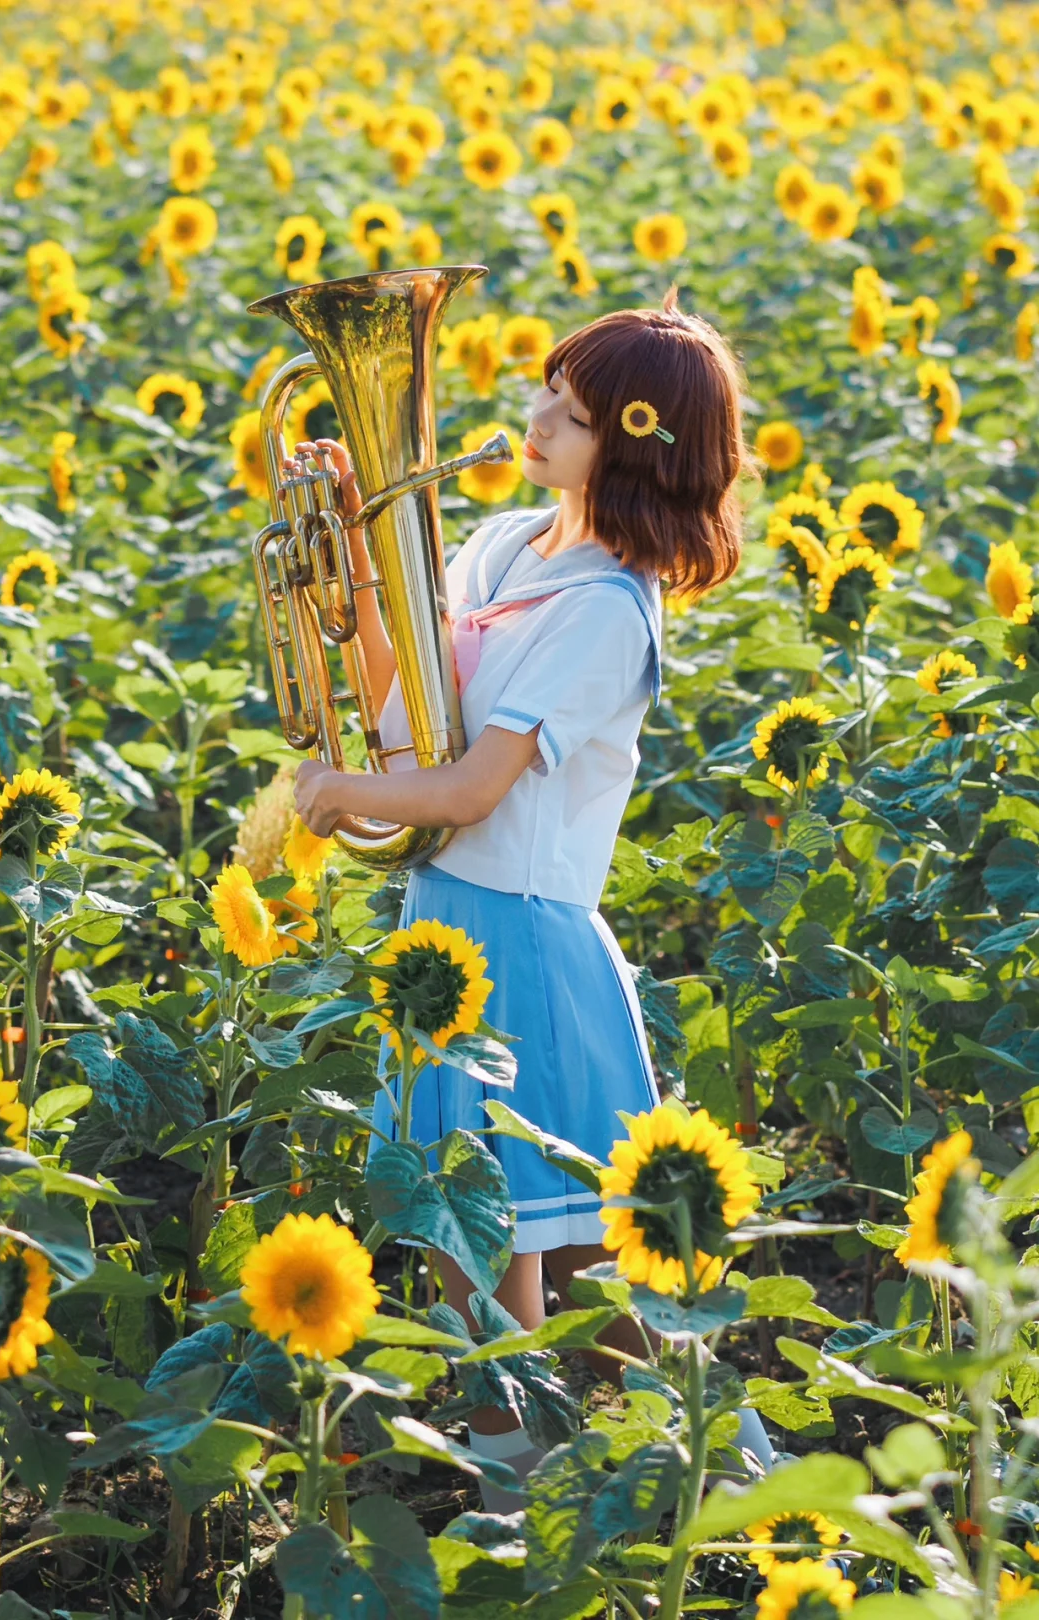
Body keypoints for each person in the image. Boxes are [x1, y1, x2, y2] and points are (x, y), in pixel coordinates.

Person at [291, 284, 775, 1510]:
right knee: (483, 1234)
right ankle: (540, 1480)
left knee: (591, 1268)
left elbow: (469, 789)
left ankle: (693, 1483)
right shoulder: (507, 546)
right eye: (545, 399)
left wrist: (340, 786)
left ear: (639, 449)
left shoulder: (612, 611)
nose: (535, 423)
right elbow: (410, 701)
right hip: (447, 921)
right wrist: (349, 553)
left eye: (572, 415)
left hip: (527, 941)